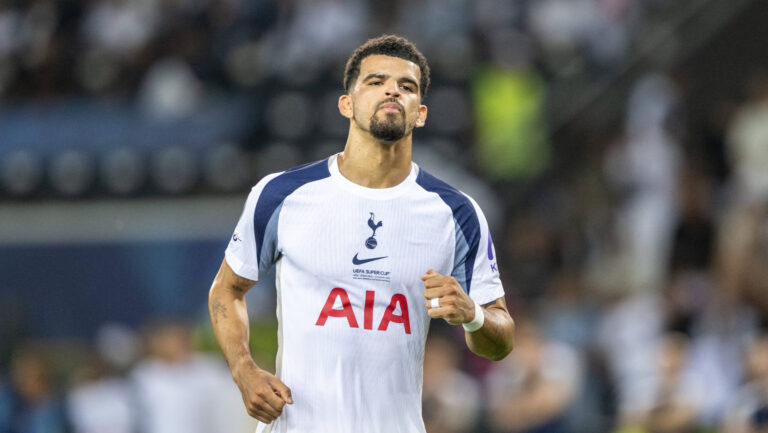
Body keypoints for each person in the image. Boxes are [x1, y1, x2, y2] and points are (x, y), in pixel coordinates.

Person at [208, 34, 515, 433]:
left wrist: (472, 315)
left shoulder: (456, 213)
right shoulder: (281, 194)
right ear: (346, 104)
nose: (392, 89)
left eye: (407, 86)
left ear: (420, 113)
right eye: (376, 81)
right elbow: (226, 290)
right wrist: (243, 369)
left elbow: (502, 337)